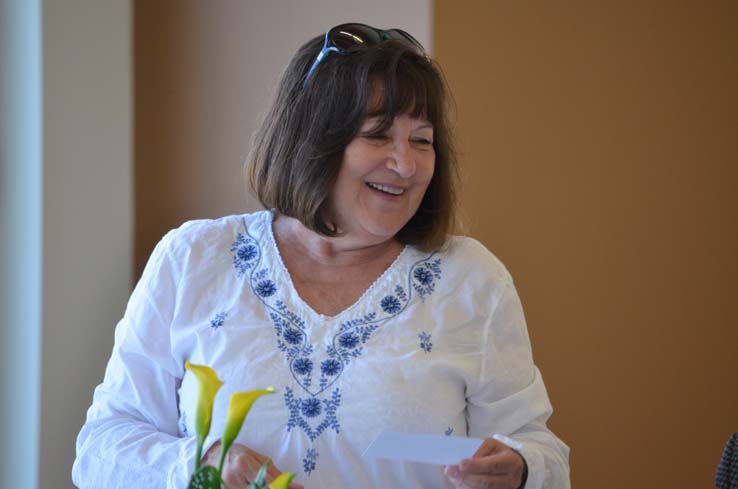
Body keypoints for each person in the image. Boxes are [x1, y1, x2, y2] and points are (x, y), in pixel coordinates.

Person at [73, 23, 570, 489]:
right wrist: (199, 465)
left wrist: (522, 468)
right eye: (378, 134)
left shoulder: (471, 280)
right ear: (312, 139)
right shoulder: (192, 259)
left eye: (422, 141)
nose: (405, 164)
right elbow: (100, 451)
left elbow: (539, 447)